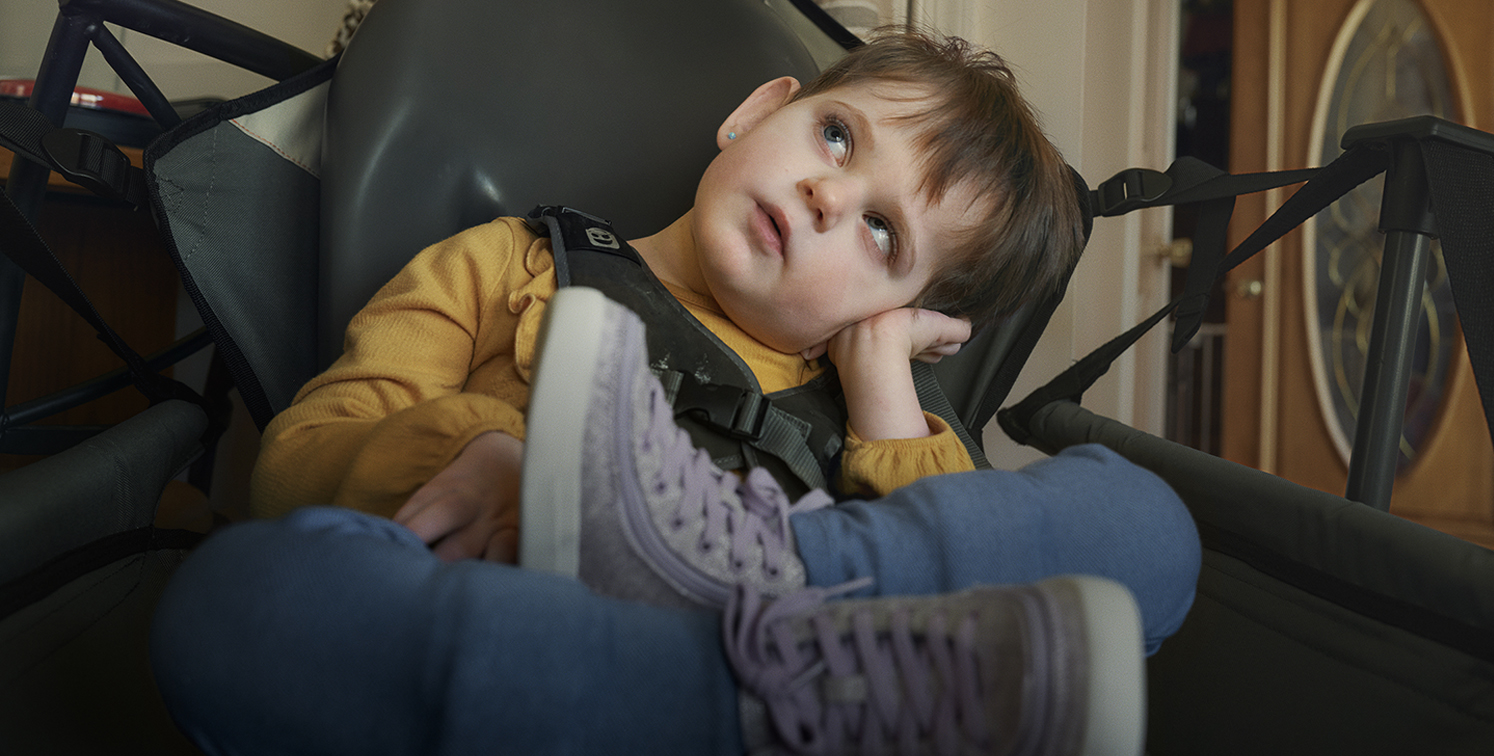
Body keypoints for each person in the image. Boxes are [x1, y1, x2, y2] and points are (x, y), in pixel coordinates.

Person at [151, 28, 1202, 755]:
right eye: (839, 138)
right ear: (759, 112)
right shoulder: (509, 262)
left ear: (906, 316)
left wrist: (880, 382)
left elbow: (965, 598)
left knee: (1153, 525)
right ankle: (727, 697)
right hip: (533, 632)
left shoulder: (871, 412)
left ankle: (750, 573)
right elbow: (297, 460)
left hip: (799, 643)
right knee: (234, 601)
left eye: (884, 234)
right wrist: (480, 451)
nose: (830, 195)